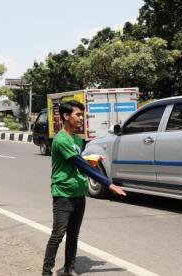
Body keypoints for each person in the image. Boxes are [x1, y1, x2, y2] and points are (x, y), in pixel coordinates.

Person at [42, 100, 126, 276]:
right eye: (78, 115)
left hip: (79, 192)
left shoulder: (77, 139)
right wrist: (108, 183)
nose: (81, 118)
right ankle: (46, 272)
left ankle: (69, 269)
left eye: (82, 115)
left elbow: (77, 160)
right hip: (64, 192)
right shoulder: (61, 139)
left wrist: (90, 159)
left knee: (73, 234)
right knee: (58, 234)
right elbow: (79, 163)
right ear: (66, 116)